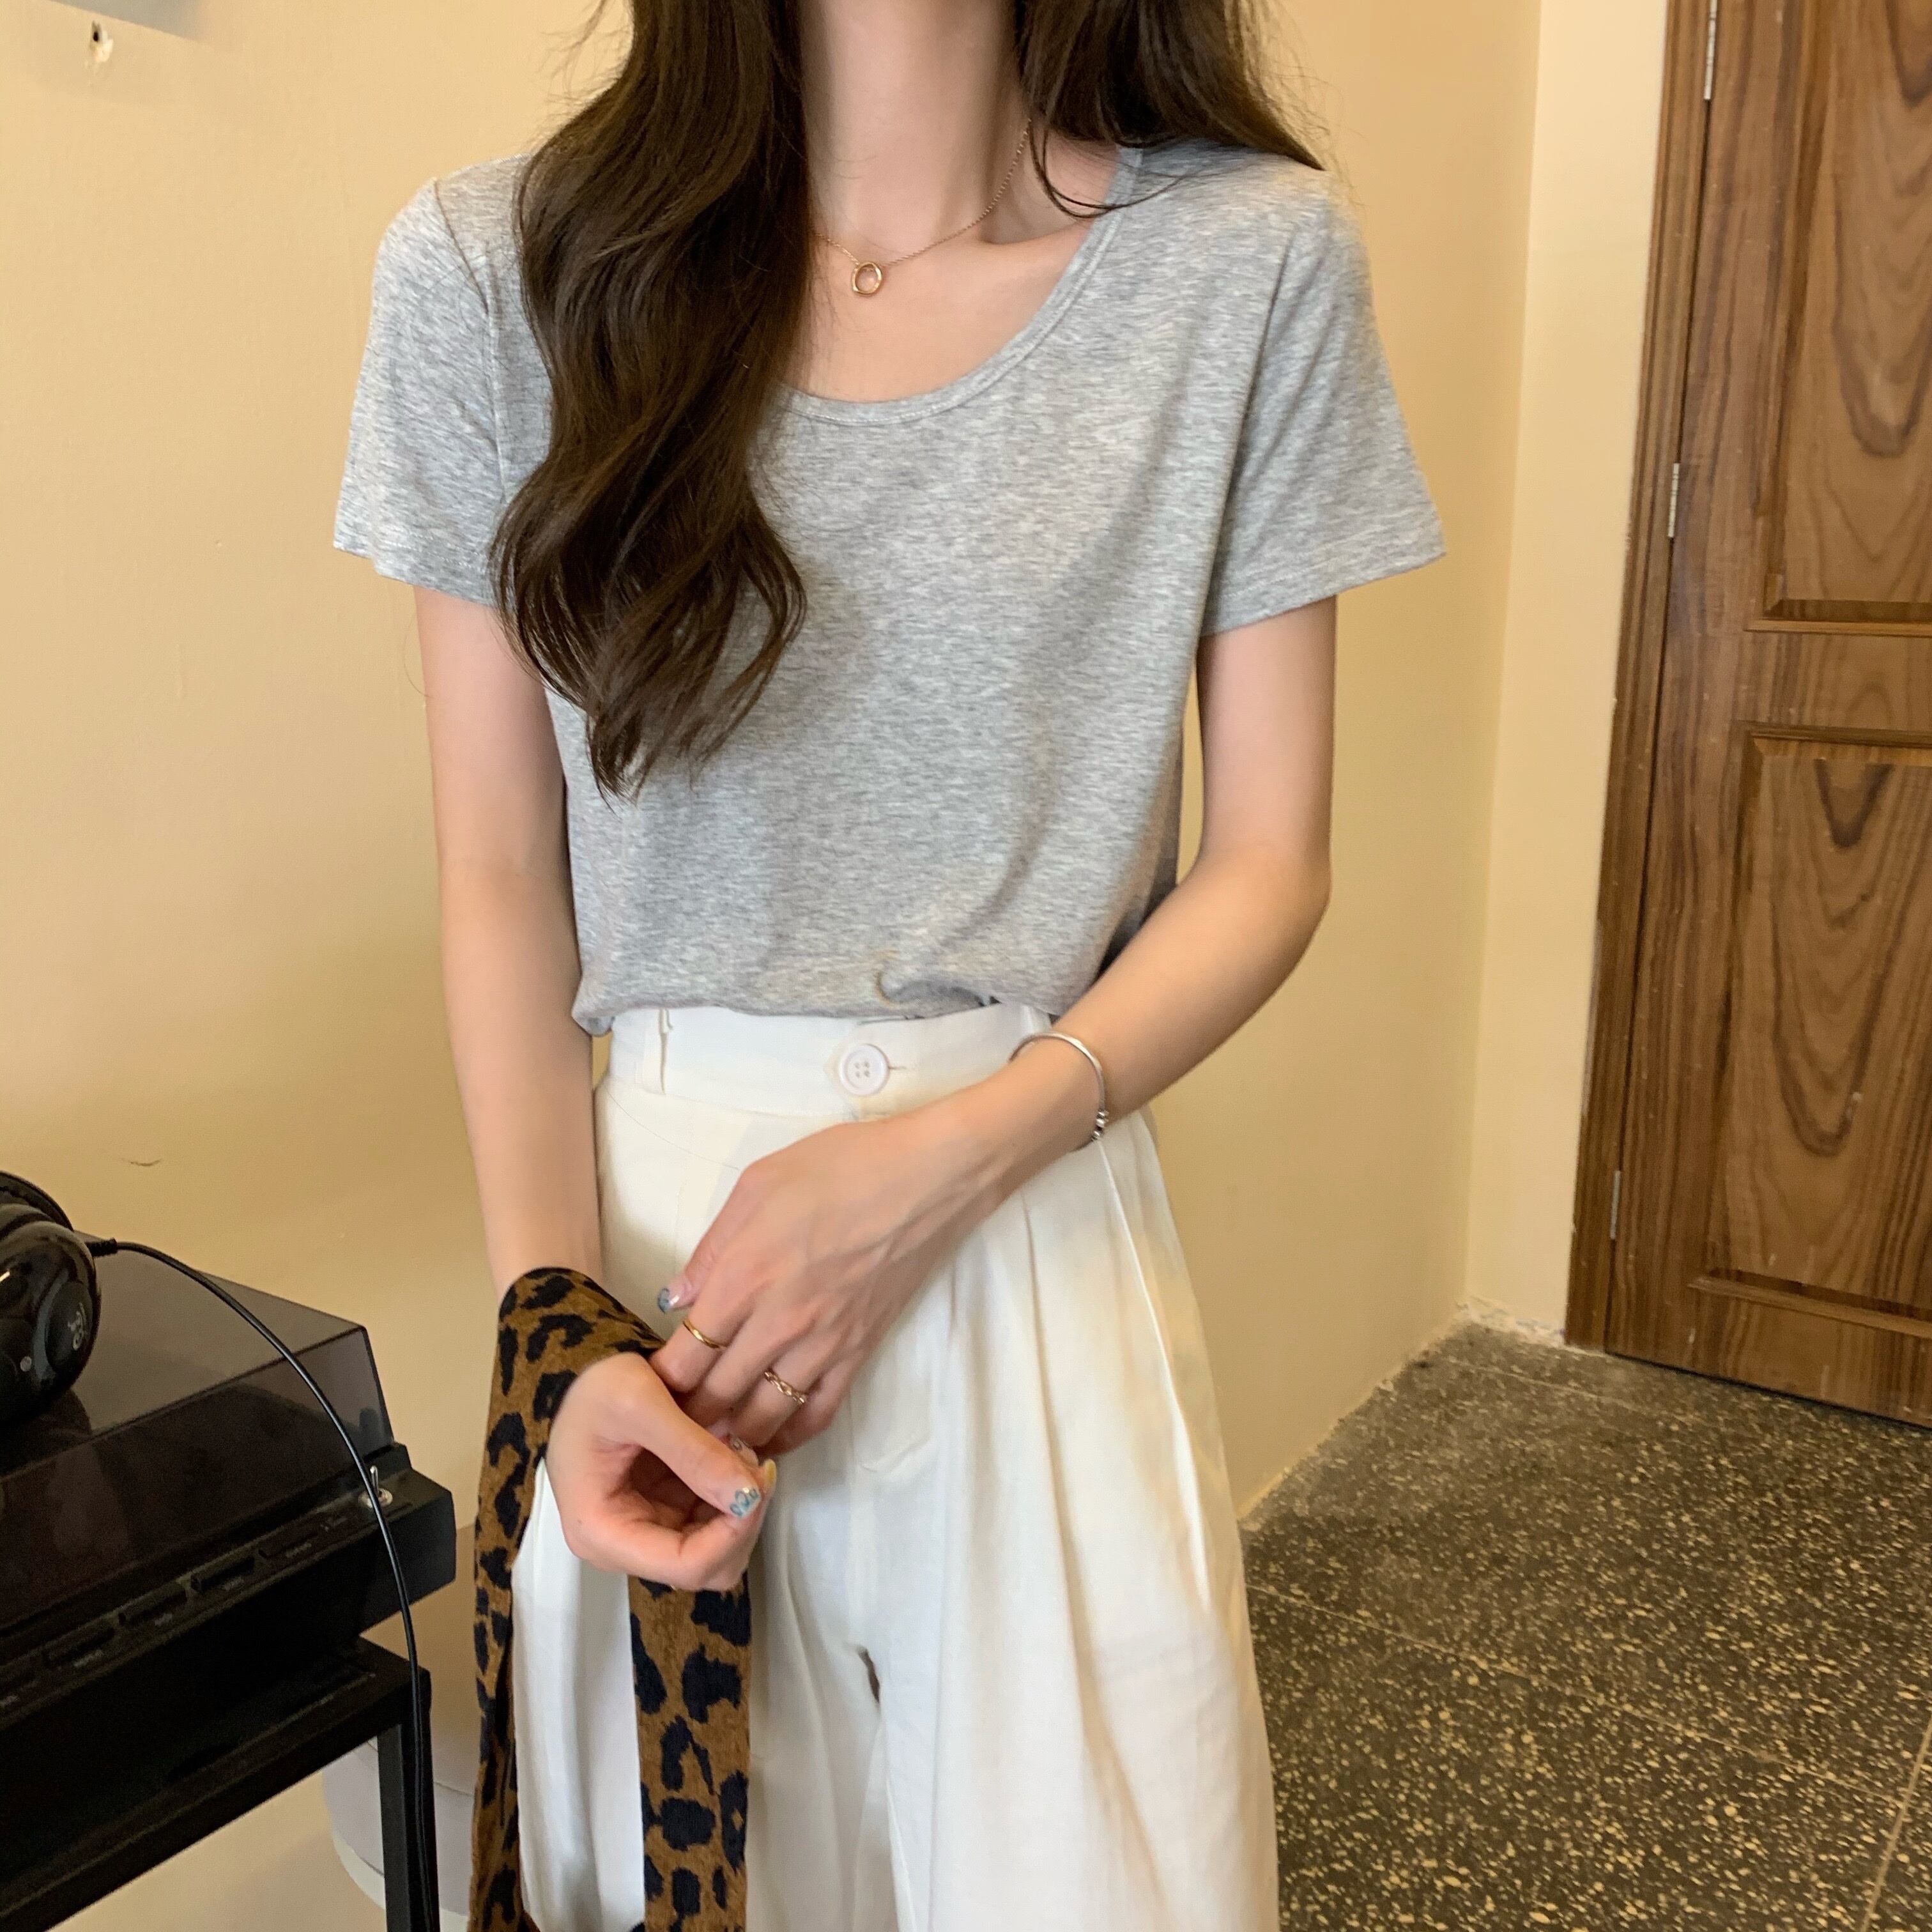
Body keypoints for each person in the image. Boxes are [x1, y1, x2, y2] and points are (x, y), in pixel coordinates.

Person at [335, 0, 1442, 1924]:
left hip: (1034, 1229)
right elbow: (502, 874)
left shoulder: (1246, 264)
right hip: (656, 1302)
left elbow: (1272, 861)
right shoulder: (492, 274)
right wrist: (552, 1333)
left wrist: (942, 1165)